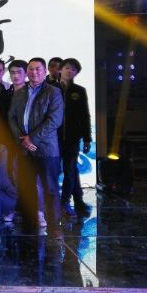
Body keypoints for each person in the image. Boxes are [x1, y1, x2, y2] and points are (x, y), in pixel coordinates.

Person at [8, 57, 64, 239]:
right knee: (27, 187)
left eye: (38, 69)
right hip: (24, 148)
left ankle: (54, 226)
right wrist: (22, 139)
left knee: (50, 189)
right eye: (31, 69)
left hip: (46, 149)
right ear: (27, 72)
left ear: (45, 70)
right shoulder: (19, 92)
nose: (34, 72)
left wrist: (32, 138)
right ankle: (30, 222)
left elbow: (54, 120)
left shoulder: (53, 92)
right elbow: (11, 118)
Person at [58, 58, 92, 218]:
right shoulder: (51, 88)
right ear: (61, 69)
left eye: (73, 69)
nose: (69, 71)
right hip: (54, 137)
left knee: (70, 170)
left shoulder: (79, 91)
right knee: (53, 171)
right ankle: (67, 202)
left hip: (72, 138)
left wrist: (87, 138)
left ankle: (64, 202)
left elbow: (85, 115)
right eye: (67, 68)